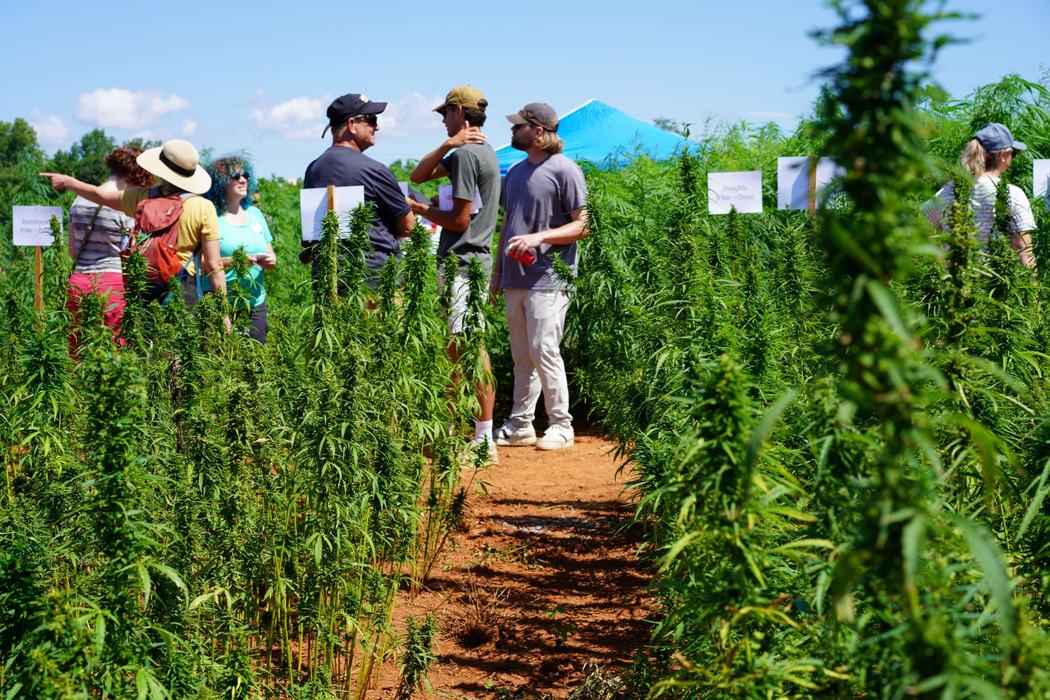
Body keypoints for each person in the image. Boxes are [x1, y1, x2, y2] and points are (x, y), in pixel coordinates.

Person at [408, 85, 501, 461]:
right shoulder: (479, 151)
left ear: (459, 113)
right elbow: (419, 173)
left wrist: (418, 209)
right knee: (458, 346)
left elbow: (459, 220)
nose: (443, 121)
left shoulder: (466, 157)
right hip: (469, 262)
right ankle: (462, 431)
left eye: (445, 114)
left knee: (469, 348)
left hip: (464, 264)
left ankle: (482, 440)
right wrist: (448, 145)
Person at [490, 103, 588, 451]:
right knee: (521, 354)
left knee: (543, 349)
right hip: (515, 278)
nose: (513, 132)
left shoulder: (565, 169)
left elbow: (582, 224)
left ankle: (561, 425)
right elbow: (508, 225)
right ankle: (520, 425)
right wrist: (497, 271)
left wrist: (539, 237)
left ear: (539, 131)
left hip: (549, 277)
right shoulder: (515, 172)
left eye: (519, 127)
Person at [41, 139, 228, 306]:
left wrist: (67, 181)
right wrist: (223, 311)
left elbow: (101, 196)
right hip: (181, 289)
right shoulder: (203, 207)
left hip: (142, 287)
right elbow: (213, 265)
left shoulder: (142, 197)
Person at [302, 93, 415, 289]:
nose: (376, 126)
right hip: (374, 282)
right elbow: (408, 227)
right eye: (371, 120)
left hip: (328, 280)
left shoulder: (314, 169)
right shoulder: (374, 170)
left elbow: (312, 235)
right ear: (352, 124)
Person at [65, 146, 153, 353]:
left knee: (77, 348)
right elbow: (133, 252)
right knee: (114, 350)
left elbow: (72, 251)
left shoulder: (78, 201)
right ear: (134, 176)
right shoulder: (124, 204)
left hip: (78, 282)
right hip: (112, 282)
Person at [926, 122, 1036, 268]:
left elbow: (921, 232)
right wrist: (1034, 288)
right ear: (1003, 155)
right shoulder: (1013, 194)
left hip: (956, 283)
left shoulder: (947, 191)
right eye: (1013, 154)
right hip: (999, 285)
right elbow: (1023, 250)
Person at [203, 155, 277, 343]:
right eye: (235, 176)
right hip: (222, 303)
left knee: (256, 363)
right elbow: (202, 263)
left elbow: (271, 254)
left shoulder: (255, 214)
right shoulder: (211, 216)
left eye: (245, 175)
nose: (242, 179)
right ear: (220, 182)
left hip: (255, 301)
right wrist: (237, 260)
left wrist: (269, 260)